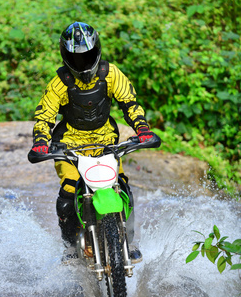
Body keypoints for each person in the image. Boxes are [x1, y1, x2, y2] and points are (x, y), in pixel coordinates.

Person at [29, 21, 154, 262]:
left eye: (86, 57)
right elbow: (44, 116)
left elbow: (130, 104)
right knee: (68, 191)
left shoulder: (111, 74)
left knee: (122, 186)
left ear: (96, 51)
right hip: (69, 144)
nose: (82, 64)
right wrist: (41, 141)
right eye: (76, 59)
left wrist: (143, 129)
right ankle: (70, 247)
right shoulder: (60, 82)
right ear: (65, 57)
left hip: (106, 141)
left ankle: (128, 241)